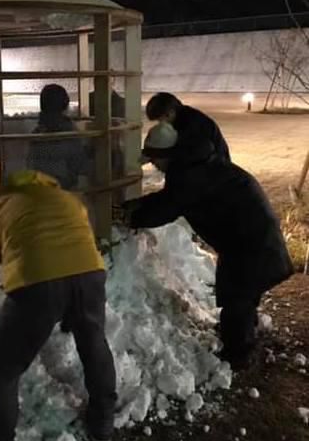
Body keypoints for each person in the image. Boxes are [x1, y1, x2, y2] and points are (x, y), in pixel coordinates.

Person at [0, 170, 117, 441]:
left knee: (3, 371)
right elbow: (78, 240)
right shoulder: (67, 199)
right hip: (90, 273)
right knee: (94, 343)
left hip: (36, 282)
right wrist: (73, 308)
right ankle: (103, 424)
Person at [122, 123, 293, 369]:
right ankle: (243, 332)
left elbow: (169, 206)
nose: (153, 166)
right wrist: (137, 203)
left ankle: (238, 355)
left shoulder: (189, 173)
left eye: (153, 160)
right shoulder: (195, 162)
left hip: (250, 240)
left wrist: (132, 218)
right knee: (243, 290)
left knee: (237, 295)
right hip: (250, 235)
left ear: (164, 156)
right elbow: (170, 197)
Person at [27, 84, 86, 189]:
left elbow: (31, 165)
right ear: (65, 105)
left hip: (38, 191)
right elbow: (78, 165)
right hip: (64, 193)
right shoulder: (71, 133)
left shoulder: (36, 135)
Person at [146, 92, 231, 163]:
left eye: (160, 120)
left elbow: (186, 152)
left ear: (169, 113)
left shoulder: (190, 122)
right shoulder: (184, 116)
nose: (161, 124)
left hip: (215, 167)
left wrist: (153, 153)